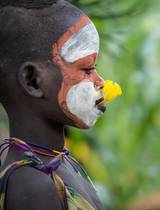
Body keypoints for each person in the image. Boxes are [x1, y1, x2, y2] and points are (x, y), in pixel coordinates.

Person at [0, 0, 112, 209]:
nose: (100, 82)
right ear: (33, 80)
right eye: (87, 69)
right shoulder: (32, 185)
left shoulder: (63, 163)